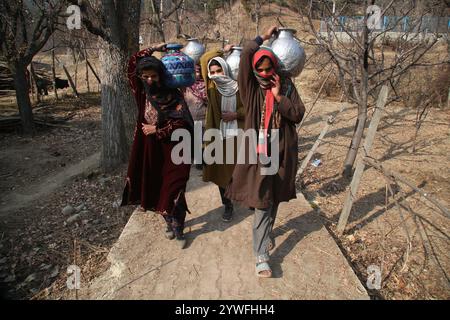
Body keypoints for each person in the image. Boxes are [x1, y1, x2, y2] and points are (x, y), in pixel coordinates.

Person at [225, 26, 306, 277]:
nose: (262, 72)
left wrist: (279, 96)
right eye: (258, 69)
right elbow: (249, 51)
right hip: (259, 155)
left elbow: (297, 114)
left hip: (282, 153)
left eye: (267, 68)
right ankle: (261, 254)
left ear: (274, 67)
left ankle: (267, 233)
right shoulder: (250, 89)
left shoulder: (287, 86)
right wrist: (264, 36)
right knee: (262, 202)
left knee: (275, 197)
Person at [121, 43, 194, 249]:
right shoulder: (141, 91)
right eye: (146, 77)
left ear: (161, 74)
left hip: (175, 148)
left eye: (154, 76)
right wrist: (153, 48)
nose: (150, 80)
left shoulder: (173, 94)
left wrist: (158, 129)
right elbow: (131, 64)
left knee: (175, 187)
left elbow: (183, 122)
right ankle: (169, 222)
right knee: (156, 186)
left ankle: (179, 228)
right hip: (150, 148)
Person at [199, 44, 245, 222]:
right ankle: (228, 205)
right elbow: (204, 59)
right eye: (213, 71)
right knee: (220, 174)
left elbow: (249, 109)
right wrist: (222, 51)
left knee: (239, 171)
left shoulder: (238, 87)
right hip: (218, 137)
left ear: (226, 69)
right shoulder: (212, 88)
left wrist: (236, 114)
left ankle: (245, 197)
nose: (217, 74)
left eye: (219, 70)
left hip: (239, 136)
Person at [182, 64, 208, 170]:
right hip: (192, 118)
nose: (196, 74)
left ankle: (208, 160)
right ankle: (199, 163)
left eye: (198, 71)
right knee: (197, 141)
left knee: (206, 140)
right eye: (194, 71)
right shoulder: (186, 87)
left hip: (205, 118)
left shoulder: (206, 85)